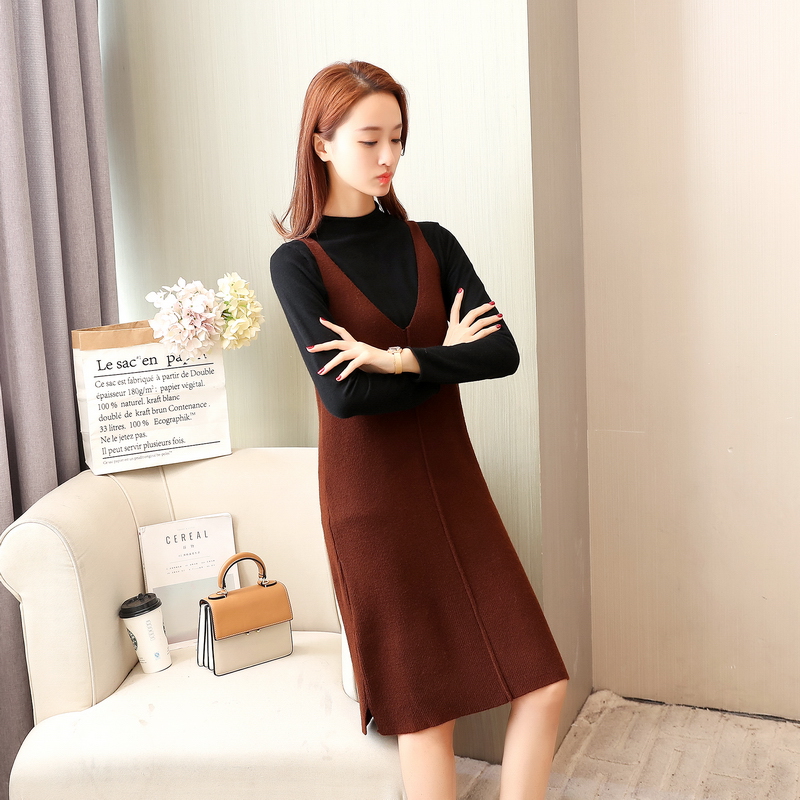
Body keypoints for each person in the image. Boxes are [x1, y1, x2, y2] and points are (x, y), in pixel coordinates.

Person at [270, 60, 568, 800]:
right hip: (372, 505)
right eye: (369, 139)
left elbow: (501, 354)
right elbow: (345, 399)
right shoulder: (297, 263)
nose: (388, 156)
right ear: (321, 143)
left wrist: (396, 359)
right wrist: (442, 358)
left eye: (398, 138)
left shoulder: (433, 242)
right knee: (427, 714)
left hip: (455, 487)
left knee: (542, 683)